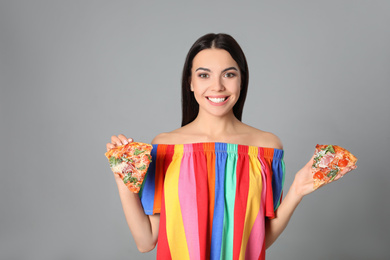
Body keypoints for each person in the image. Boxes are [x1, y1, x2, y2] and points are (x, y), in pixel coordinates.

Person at [106, 33, 344, 259]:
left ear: (242, 80)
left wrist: (297, 191)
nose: (217, 86)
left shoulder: (267, 149)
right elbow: (146, 241)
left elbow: (257, 241)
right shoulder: (165, 148)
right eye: (204, 75)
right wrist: (123, 179)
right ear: (190, 82)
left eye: (229, 74)